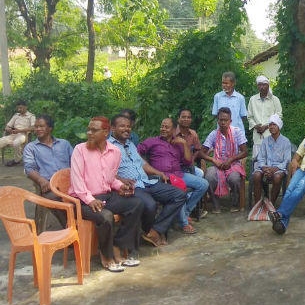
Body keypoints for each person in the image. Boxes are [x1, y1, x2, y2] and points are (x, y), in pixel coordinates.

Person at [69, 116, 144, 272]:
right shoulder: (80, 150)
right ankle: (107, 255)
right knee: (106, 216)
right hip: (82, 200)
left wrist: (121, 187)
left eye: (94, 130)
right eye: (88, 130)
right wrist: (90, 200)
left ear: (105, 132)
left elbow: (111, 179)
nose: (89, 133)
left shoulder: (115, 152)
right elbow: (77, 181)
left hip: (106, 196)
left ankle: (118, 246)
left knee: (136, 203)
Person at [109, 114, 186, 247]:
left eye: (128, 126)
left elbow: (142, 163)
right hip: (131, 186)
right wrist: (121, 180)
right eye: (122, 126)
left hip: (147, 182)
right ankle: (149, 231)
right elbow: (106, 172)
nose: (127, 129)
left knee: (179, 194)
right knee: (150, 205)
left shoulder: (130, 144)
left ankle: (155, 231)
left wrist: (159, 173)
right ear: (112, 128)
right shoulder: (108, 147)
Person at [137, 118, 208, 235]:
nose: (163, 129)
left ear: (174, 130)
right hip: (163, 177)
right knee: (179, 189)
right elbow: (136, 151)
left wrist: (184, 144)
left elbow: (188, 162)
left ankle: (186, 212)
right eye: (162, 126)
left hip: (178, 174)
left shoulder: (178, 143)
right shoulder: (152, 141)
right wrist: (145, 166)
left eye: (167, 127)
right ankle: (184, 223)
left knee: (203, 184)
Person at [23, 114, 73, 228]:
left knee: (88, 196)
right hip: (49, 185)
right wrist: (41, 180)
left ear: (50, 128)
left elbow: (76, 162)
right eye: (36, 127)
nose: (37, 129)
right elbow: (29, 168)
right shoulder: (31, 147)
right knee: (54, 199)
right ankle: (70, 227)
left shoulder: (64, 144)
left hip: (70, 183)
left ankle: (82, 226)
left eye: (41, 126)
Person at [200, 107, 248, 213]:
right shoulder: (213, 134)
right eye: (221, 120)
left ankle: (235, 203)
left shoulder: (237, 132)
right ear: (217, 121)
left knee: (235, 178)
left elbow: (245, 152)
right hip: (217, 164)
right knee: (209, 177)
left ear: (230, 121)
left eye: (225, 120)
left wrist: (231, 159)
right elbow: (201, 152)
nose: (223, 122)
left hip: (233, 164)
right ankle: (216, 204)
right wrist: (213, 160)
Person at [251, 114, 292, 205]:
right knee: (256, 175)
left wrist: (274, 169)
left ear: (279, 126)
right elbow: (261, 157)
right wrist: (264, 168)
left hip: (279, 169)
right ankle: (257, 205)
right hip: (265, 167)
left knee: (277, 178)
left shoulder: (286, 142)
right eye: (270, 125)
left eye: (274, 124)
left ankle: (271, 204)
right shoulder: (265, 141)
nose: (272, 127)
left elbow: (287, 160)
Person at [247, 75, 283, 158]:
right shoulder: (252, 99)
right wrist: (255, 126)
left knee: (272, 159)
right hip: (257, 135)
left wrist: (267, 126)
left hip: (271, 134)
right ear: (257, 86)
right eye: (259, 85)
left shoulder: (275, 99)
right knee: (257, 160)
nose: (262, 87)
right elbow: (249, 116)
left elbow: (279, 116)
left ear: (268, 85)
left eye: (264, 85)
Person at [0, 100, 35, 166]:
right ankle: (18, 159)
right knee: (1, 141)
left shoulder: (31, 116)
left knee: (16, 142)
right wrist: (9, 129)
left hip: (23, 135)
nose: (19, 109)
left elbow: (33, 128)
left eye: (21, 108)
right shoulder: (16, 116)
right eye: (18, 108)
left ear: (25, 107)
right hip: (13, 134)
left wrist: (20, 130)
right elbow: (7, 126)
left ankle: (17, 160)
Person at [175, 108, 205, 179]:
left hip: (189, 166)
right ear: (178, 119)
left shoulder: (193, 134)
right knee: (202, 183)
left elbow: (197, 149)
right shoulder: (172, 133)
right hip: (175, 167)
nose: (186, 119)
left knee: (200, 173)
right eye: (183, 117)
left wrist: (192, 159)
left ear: (191, 120)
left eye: (188, 117)